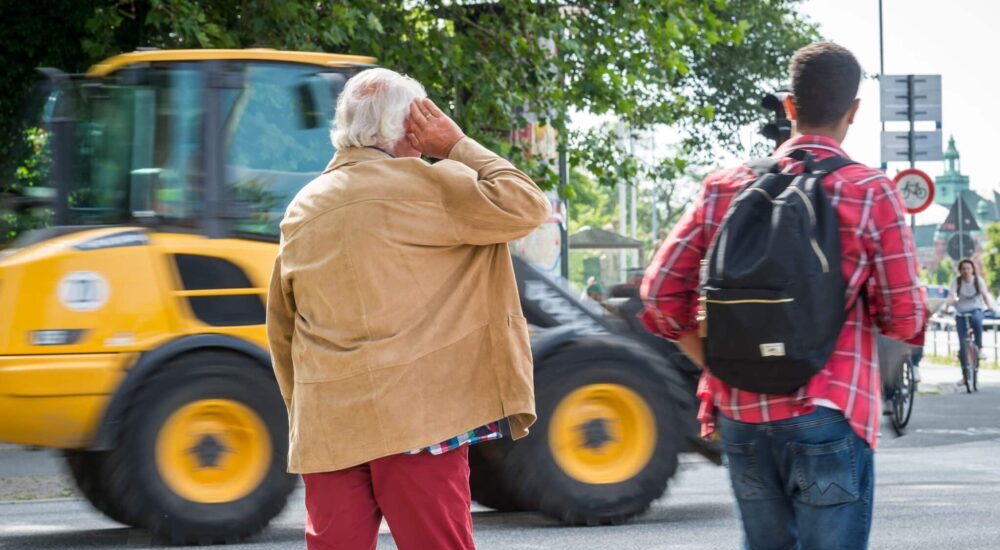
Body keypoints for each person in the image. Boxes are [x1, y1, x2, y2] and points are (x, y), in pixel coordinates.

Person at [640, 42, 925, 550]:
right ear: (853, 111)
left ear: (788, 106)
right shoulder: (870, 191)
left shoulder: (726, 186)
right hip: (829, 411)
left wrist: (715, 363)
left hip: (741, 415)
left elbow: (660, 293)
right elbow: (905, 317)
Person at [266, 68, 550, 550]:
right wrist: (456, 143)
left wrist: (306, 413)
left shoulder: (302, 208)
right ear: (406, 126)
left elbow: (283, 329)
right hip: (416, 423)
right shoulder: (432, 187)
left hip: (327, 427)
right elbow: (527, 204)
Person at [946, 259, 995, 365]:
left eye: (968, 268)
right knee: (962, 338)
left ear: (972, 270)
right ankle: (964, 371)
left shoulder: (978, 281)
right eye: (963, 269)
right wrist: (946, 307)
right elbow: (951, 296)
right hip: (961, 311)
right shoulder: (957, 282)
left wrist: (989, 306)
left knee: (977, 321)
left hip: (975, 309)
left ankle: (979, 348)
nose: (966, 271)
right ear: (960, 271)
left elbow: (984, 295)